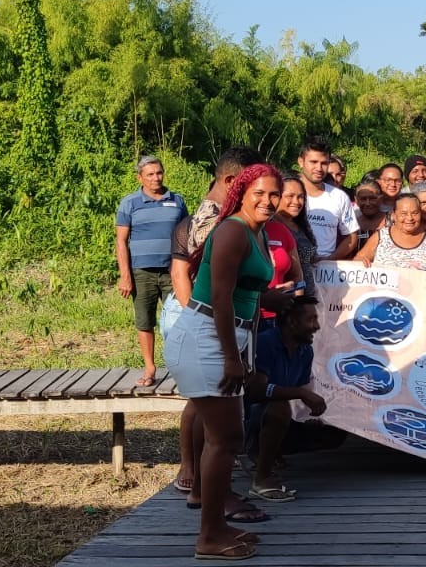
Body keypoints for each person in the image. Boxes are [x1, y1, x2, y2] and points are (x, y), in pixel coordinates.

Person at [164, 163, 292, 561]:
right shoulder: (234, 229)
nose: (268, 202)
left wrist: (252, 339)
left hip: (227, 335)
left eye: (275, 194)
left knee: (224, 438)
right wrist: (231, 358)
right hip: (206, 336)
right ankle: (209, 536)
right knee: (225, 440)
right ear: (240, 191)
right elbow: (220, 298)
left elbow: (245, 297)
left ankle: (216, 524)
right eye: (260, 193)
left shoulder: (257, 231)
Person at [162, 147, 265, 524]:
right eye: (256, 189)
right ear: (233, 183)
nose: (267, 200)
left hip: (219, 329)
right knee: (216, 428)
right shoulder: (220, 223)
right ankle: (208, 511)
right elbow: (211, 291)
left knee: (218, 427)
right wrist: (223, 347)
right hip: (204, 325)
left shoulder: (245, 224)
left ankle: (210, 498)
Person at [243, 295, 328, 503]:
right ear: (291, 322)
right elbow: (256, 391)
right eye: (311, 320)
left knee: (331, 432)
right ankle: (261, 478)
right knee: (278, 408)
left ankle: (270, 455)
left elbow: (301, 388)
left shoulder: (305, 351)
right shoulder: (265, 343)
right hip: (241, 421)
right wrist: (301, 394)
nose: (316, 326)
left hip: (268, 416)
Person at [116, 155, 188, 388]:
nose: (156, 178)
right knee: (145, 321)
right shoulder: (130, 203)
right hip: (142, 273)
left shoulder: (177, 201)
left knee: (178, 319)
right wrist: (125, 276)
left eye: (159, 173)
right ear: (140, 177)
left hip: (173, 272)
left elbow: (187, 236)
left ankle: (180, 367)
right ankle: (150, 367)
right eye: (150, 174)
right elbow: (121, 241)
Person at [296, 136, 359, 261]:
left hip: (325, 273)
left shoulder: (339, 197)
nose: (319, 168)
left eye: (324, 163)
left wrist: (329, 259)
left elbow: (351, 237)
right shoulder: (286, 192)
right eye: (313, 162)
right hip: (291, 267)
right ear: (301, 162)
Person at [356, 193, 426, 272]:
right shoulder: (381, 237)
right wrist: (360, 261)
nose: (410, 218)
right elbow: (358, 259)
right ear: (394, 214)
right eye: (404, 213)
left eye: (415, 213)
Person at [277, 172, 320, 285]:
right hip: (287, 296)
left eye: (300, 197)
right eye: (290, 196)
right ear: (277, 196)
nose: (296, 202)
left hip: (308, 295)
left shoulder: (301, 225)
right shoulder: (271, 226)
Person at [351, 179, 387, 248]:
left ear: (381, 198)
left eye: (372, 198)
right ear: (356, 200)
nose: (368, 203)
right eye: (363, 199)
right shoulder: (351, 225)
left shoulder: (393, 222)